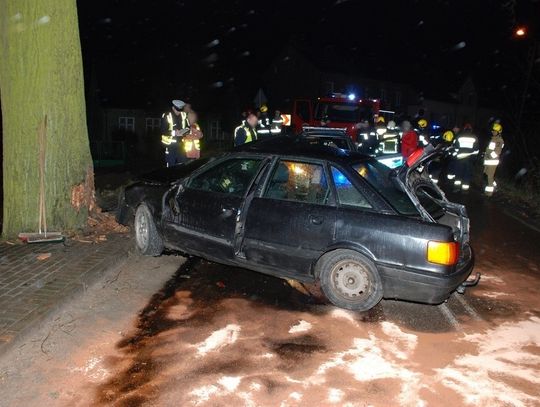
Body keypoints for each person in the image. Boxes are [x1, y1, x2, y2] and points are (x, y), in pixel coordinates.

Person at [448, 124, 479, 192]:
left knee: (458, 174)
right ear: (471, 130)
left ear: (464, 129)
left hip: (459, 159)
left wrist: (456, 154)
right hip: (469, 160)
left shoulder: (459, 136)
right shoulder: (474, 137)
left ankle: (456, 188)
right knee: (467, 174)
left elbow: (455, 148)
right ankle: (464, 190)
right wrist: (473, 157)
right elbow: (476, 150)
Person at [161, 99, 190, 167]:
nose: (178, 112)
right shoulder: (166, 115)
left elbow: (188, 128)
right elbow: (163, 130)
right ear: (173, 108)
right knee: (170, 165)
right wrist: (174, 133)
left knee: (183, 164)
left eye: (180, 110)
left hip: (181, 144)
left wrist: (184, 132)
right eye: (177, 110)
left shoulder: (184, 115)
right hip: (170, 145)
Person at [483, 122, 504, 196]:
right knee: (487, 176)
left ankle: (489, 193)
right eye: (492, 130)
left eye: (495, 131)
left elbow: (497, 152)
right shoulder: (493, 139)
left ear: (498, 132)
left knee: (489, 177)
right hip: (488, 161)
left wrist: (489, 156)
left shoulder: (499, 140)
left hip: (492, 161)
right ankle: (494, 186)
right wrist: (485, 154)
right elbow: (489, 149)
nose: (493, 132)